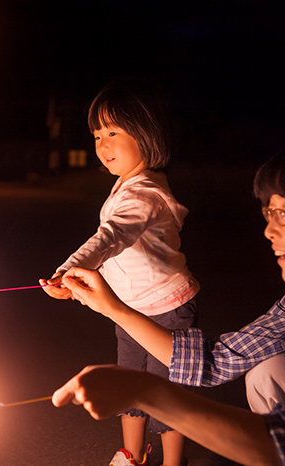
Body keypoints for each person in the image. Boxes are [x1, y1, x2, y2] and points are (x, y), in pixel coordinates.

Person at [52, 137, 285, 466]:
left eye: (284, 215)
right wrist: (111, 307)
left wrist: (146, 391)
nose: (270, 231)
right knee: (269, 372)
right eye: (269, 213)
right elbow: (215, 359)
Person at [40, 80, 199, 466]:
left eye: (113, 132)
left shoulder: (143, 193)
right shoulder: (126, 185)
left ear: (146, 134)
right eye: (97, 135)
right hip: (127, 309)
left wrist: (71, 269)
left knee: (167, 392)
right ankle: (132, 455)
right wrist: (77, 281)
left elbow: (110, 237)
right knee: (130, 383)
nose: (102, 144)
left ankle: (172, 463)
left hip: (167, 309)